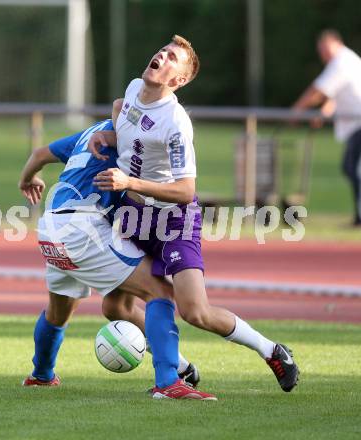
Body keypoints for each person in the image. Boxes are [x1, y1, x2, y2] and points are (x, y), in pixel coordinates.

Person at [89, 35, 299, 393]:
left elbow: (186, 190)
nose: (162, 55)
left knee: (194, 311)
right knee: (114, 306)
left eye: (172, 58)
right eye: (162, 51)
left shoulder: (176, 122)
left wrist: (130, 181)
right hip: (133, 215)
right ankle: (180, 367)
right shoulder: (135, 87)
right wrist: (108, 136)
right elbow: (122, 111)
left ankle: (272, 350)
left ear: (179, 80)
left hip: (173, 221)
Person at [18, 118, 215, 400]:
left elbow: (39, 155)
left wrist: (27, 179)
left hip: (51, 226)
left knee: (58, 311)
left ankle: (41, 376)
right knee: (159, 290)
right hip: (83, 226)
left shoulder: (94, 131)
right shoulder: (131, 135)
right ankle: (169, 382)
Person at [293, 29, 361, 226]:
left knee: (353, 168)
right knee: (351, 168)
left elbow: (318, 90)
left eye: (326, 50)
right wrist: (325, 112)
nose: (324, 55)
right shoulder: (348, 61)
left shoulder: (341, 61)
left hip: (359, 123)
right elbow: (338, 93)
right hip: (356, 123)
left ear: (337, 44)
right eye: (322, 51)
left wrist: (296, 110)